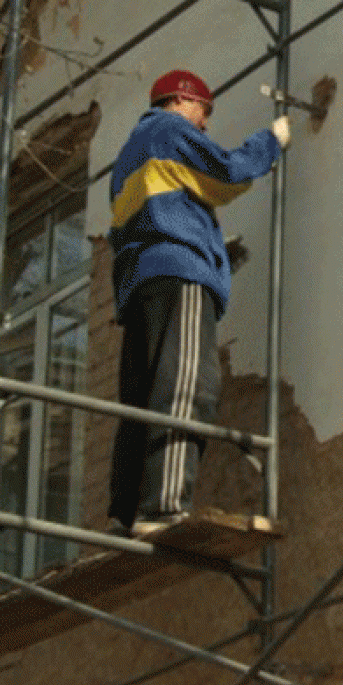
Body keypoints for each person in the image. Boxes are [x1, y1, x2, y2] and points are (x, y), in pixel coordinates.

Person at [107, 69, 289, 534]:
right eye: (203, 110)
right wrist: (271, 141)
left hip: (142, 284)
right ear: (180, 101)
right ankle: (164, 507)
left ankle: (123, 514)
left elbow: (156, 219)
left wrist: (217, 254)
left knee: (142, 399)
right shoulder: (169, 129)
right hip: (179, 275)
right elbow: (225, 174)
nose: (204, 124)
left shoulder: (129, 154)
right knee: (188, 386)